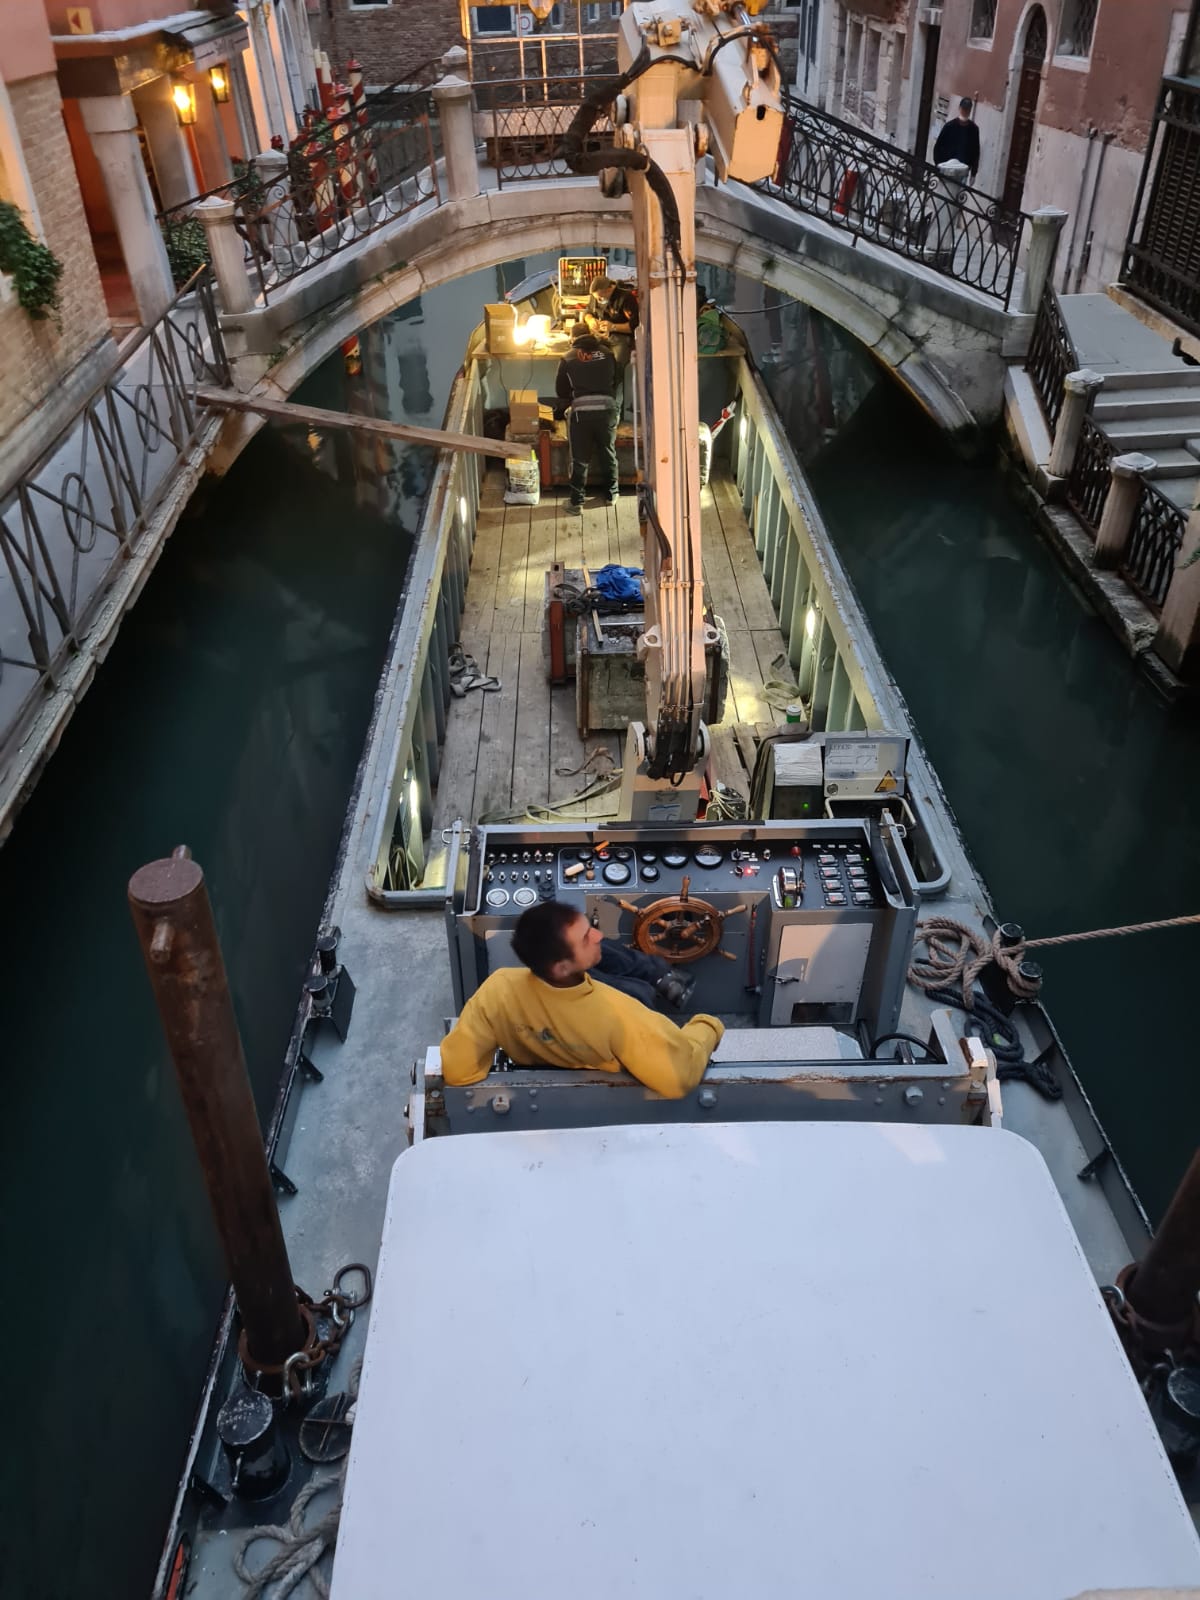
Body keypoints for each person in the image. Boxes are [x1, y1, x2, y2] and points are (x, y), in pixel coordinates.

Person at [440, 900, 724, 1099]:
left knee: (606, 953)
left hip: (540, 1051)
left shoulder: (497, 989)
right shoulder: (620, 1013)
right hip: (612, 1036)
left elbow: (458, 1071)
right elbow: (679, 1079)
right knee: (641, 990)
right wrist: (708, 1026)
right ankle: (660, 978)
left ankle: (660, 975)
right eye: (587, 937)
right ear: (561, 968)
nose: (598, 935)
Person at [555, 323, 620, 512]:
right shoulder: (608, 353)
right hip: (607, 410)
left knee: (580, 458)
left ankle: (576, 503)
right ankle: (611, 494)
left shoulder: (567, 358)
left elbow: (561, 391)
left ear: (573, 339)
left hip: (581, 413)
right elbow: (616, 380)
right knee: (608, 452)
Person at [932, 97, 981, 181]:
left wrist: (973, 173)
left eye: (967, 109)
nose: (965, 111)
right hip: (946, 168)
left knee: (958, 193)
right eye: (964, 108)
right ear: (960, 108)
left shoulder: (973, 129)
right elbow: (938, 146)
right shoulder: (949, 126)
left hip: (963, 170)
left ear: (970, 110)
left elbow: (976, 151)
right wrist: (939, 165)